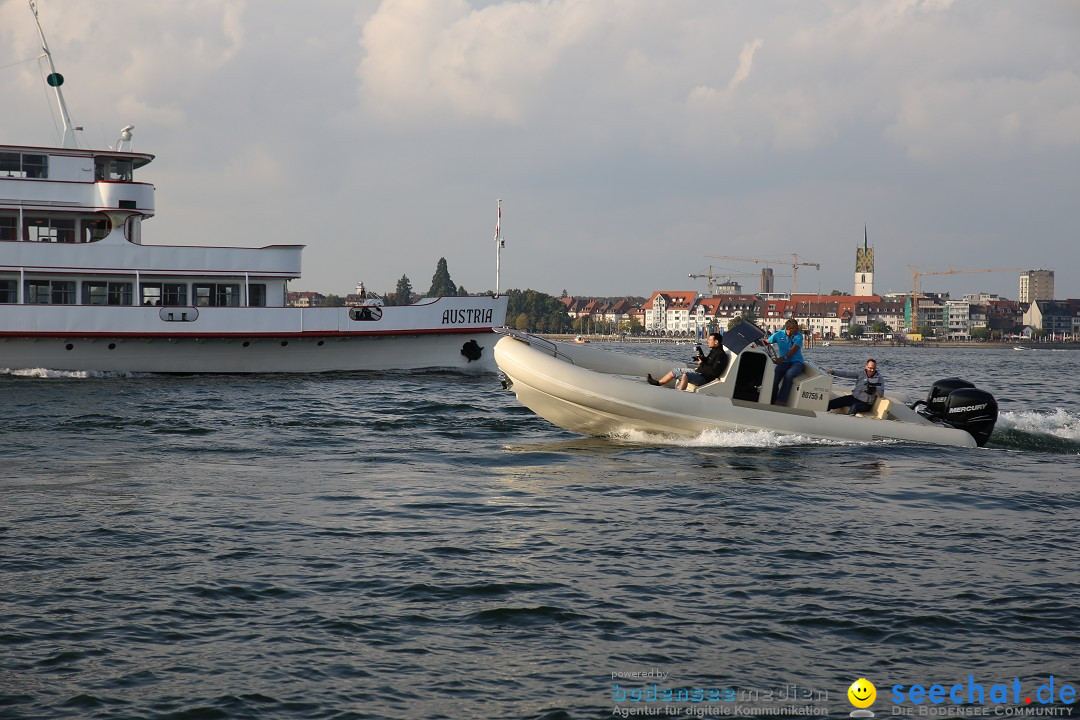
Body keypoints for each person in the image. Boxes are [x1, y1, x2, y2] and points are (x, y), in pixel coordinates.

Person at [648, 332, 728, 391]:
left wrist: (702, 363)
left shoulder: (720, 355)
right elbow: (708, 362)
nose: (708, 341)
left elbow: (713, 372)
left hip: (705, 378)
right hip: (700, 372)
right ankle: (658, 383)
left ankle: (678, 395)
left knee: (685, 375)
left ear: (716, 342)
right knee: (675, 370)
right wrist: (701, 358)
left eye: (710, 340)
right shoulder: (714, 351)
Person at [759, 319, 804, 405]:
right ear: (789, 329)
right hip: (784, 362)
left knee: (789, 374)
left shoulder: (799, 336)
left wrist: (783, 358)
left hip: (796, 362)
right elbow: (766, 342)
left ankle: (780, 400)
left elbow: (793, 350)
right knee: (775, 377)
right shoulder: (778, 335)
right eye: (796, 327)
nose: (798, 328)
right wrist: (757, 341)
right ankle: (771, 400)